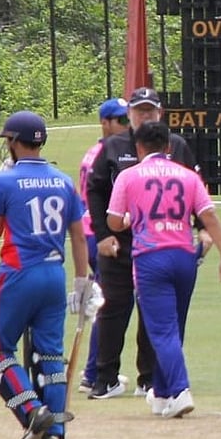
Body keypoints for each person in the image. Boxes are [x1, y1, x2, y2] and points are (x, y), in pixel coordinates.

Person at [0, 110, 93, 439]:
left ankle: (32, 412)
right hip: (54, 275)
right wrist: (83, 281)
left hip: (18, 273)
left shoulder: (5, 180)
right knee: (51, 356)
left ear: (13, 142)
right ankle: (55, 429)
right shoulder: (63, 180)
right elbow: (79, 237)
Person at [106, 121, 221, 418]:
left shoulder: (129, 176)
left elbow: (114, 221)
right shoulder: (188, 176)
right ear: (168, 146)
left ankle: (179, 390)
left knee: (161, 330)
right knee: (174, 328)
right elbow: (210, 217)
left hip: (151, 256)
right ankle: (163, 392)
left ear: (139, 148)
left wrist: (129, 220)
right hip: (183, 254)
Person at [85, 86, 205, 400]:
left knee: (155, 311)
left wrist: (203, 228)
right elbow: (95, 192)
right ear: (130, 115)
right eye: (140, 110)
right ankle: (104, 377)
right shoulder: (112, 146)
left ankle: (150, 378)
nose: (146, 115)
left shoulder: (175, 146)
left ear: (160, 113)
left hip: (159, 243)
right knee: (113, 308)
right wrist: (102, 235)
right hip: (122, 244)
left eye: (151, 110)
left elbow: (197, 191)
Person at [76, 97, 132, 393]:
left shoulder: (94, 151)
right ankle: (93, 373)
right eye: (120, 120)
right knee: (110, 302)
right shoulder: (106, 153)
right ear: (105, 122)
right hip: (99, 233)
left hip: (89, 231)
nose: (126, 125)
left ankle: (97, 370)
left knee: (109, 301)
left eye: (127, 120)